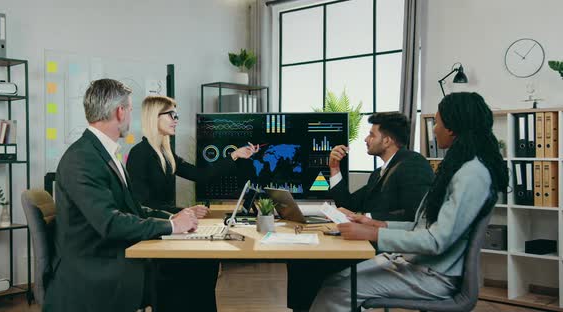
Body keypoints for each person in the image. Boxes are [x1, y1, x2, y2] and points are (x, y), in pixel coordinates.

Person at [309, 92, 509, 312]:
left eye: (438, 123)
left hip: (434, 275)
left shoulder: (471, 173)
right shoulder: (462, 167)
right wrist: (379, 225)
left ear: (451, 128)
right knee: (333, 281)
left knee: (338, 290)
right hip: (420, 264)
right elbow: (424, 225)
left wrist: (374, 234)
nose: (433, 129)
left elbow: (435, 240)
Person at [43, 79, 198, 312]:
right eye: (130, 110)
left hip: (108, 255)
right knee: (190, 273)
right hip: (97, 269)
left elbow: (132, 208)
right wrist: (172, 228)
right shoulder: (83, 159)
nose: (131, 117)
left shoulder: (104, 153)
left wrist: (171, 220)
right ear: (120, 111)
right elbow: (110, 222)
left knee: (197, 268)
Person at [287, 112, 434, 312]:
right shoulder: (379, 173)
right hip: (366, 241)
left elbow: (415, 216)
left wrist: (367, 218)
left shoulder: (412, 163)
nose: (366, 139)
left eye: (372, 135)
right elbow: (348, 202)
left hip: (388, 247)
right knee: (302, 259)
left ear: (388, 140)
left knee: (307, 263)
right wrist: (334, 167)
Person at [126, 95, 258, 312]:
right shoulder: (140, 155)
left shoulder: (166, 154)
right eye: (172, 115)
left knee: (208, 260)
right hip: (154, 234)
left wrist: (234, 155)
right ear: (153, 117)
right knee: (202, 262)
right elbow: (141, 206)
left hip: (169, 229)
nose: (176, 119)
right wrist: (179, 213)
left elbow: (201, 175)